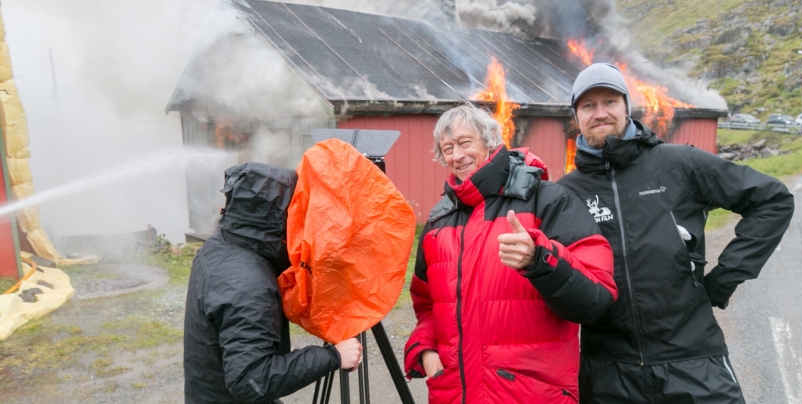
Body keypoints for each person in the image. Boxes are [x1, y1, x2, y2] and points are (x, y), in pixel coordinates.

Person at [557, 63, 795, 403]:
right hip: (608, 372)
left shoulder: (679, 164)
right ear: (576, 116)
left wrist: (723, 278)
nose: (600, 113)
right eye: (588, 106)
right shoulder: (565, 193)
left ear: (626, 106)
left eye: (609, 101)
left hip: (694, 362)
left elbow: (773, 200)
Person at [403, 104, 618, 403]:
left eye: (465, 142)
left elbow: (597, 298)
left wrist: (540, 259)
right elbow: (427, 305)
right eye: (447, 148)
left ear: (490, 141)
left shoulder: (547, 201)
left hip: (531, 395)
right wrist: (425, 348)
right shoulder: (437, 223)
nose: (457, 155)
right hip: (453, 393)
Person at [184, 162, 362, 403]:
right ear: (278, 220)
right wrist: (333, 356)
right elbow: (251, 379)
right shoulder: (248, 285)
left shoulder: (221, 246)